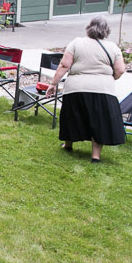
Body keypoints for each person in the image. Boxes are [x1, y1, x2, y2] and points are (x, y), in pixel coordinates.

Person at [46, 15, 126, 163]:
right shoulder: (113, 47)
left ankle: (68, 145)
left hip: (76, 87)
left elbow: (64, 65)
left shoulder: (76, 43)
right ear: (107, 30)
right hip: (103, 89)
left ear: (89, 28)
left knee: (73, 116)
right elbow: (120, 70)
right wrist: (108, 78)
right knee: (99, 120)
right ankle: (95, 156)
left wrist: (53, 84)